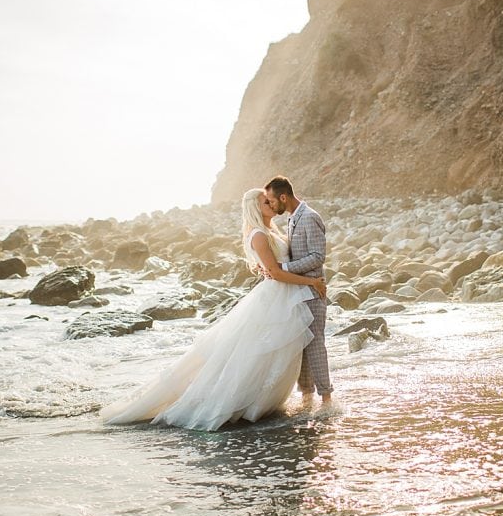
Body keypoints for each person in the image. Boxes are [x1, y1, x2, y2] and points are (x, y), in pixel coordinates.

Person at [100, 188, 327, 431]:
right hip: (277, 295)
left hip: (282, 296)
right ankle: (240, 401)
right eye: (265, 202)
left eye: (270, 200)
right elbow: (276, 272)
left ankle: (289, 397)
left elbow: (276, 267)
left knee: (274, 350)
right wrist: (311, 281)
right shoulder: (259, 235)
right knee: (256, 351)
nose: (271, 204)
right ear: (255, 207)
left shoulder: (270, 231)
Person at [263, 176, 332, 404]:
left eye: (272, 201)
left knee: (315, 344)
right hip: (299, 291)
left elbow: (317, 256)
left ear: (283, 197)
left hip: (314, 290)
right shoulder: (293, 218)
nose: (272, 206)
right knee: (302, 345)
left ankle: (327, 399)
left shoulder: (310, 217)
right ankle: (307, 397)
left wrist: (283, 268)